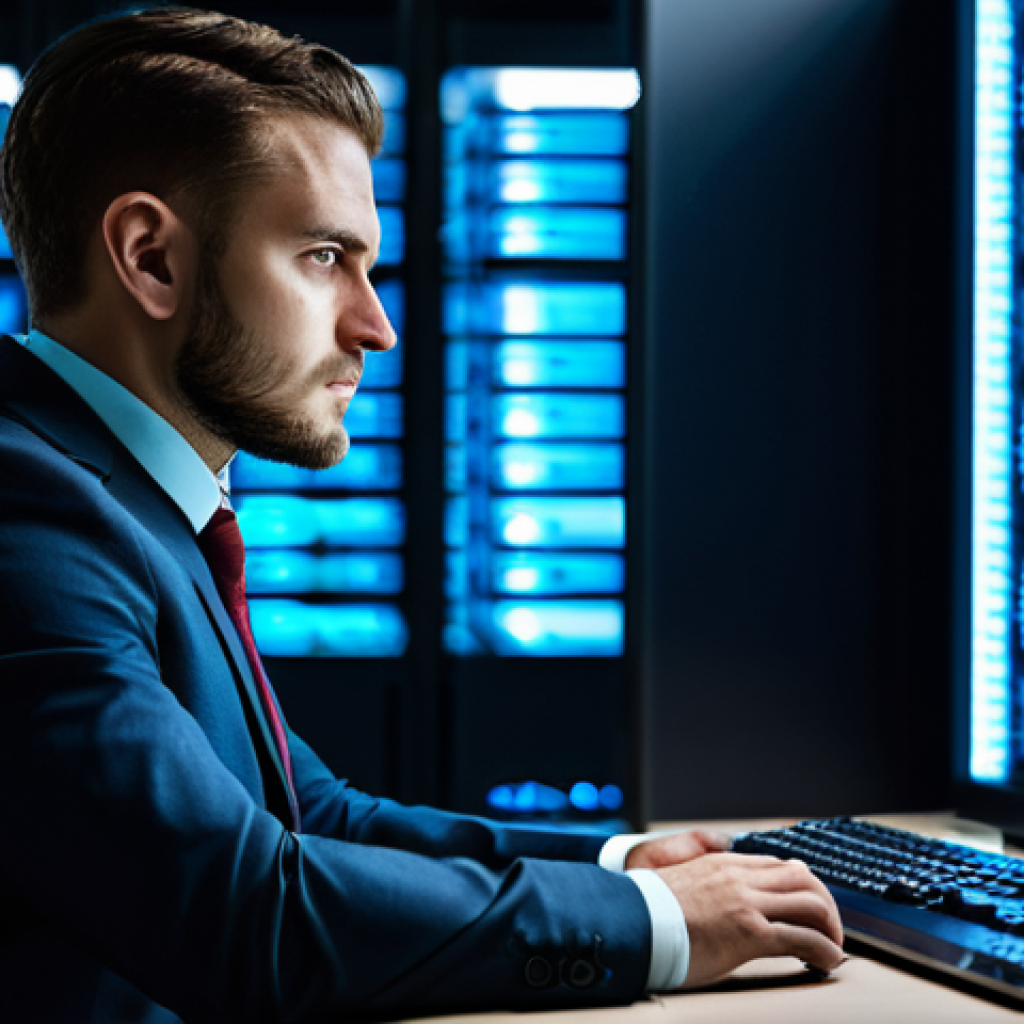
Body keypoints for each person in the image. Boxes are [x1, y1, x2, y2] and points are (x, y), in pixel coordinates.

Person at [0, 7, 844, 1022]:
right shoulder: (30, 516)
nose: (378, 326)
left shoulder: (117, 500)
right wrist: (655, 925)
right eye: (323, 257)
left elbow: (310, 817)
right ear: (151, 257)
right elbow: (246, 908)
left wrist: (624, 864)